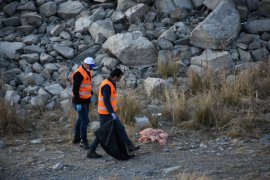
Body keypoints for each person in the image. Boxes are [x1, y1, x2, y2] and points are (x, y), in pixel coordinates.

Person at [87, 68, 140, 158]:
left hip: (109, 113)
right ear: (116, 76)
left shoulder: (111, 82)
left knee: (120, 128)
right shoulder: (107, 85)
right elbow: (106, 101)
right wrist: (112, 113)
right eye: (120, 77)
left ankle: (129, 146)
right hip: (105, 114)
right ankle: (91, 151)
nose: (120, 79)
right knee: (102, 133)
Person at [72, 57, 97, 149]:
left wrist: (92, 94)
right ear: (85, 64)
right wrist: (78, 103)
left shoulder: (88, 72)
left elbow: (88, 86)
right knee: (85, 120)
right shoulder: (78, 74)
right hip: (80, 101)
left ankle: (77, 138)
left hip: (86, 100)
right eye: (90, 66)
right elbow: (75, 90)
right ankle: (83, 141)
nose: (91, 68)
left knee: (81, 119)